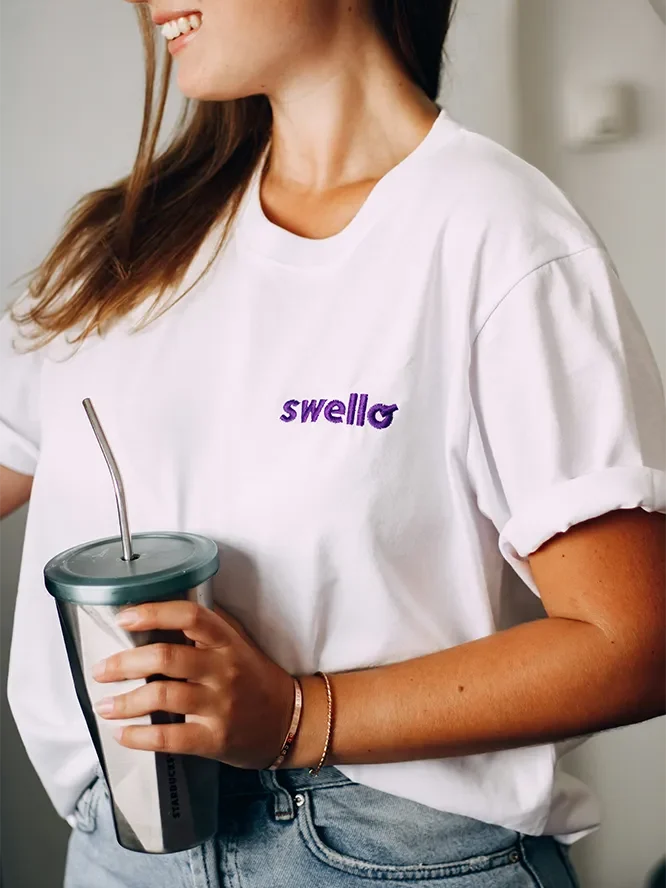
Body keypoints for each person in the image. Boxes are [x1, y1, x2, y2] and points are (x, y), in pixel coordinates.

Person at [2, 1, 666, 886]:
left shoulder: (497, 239)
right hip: (118, 850)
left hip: (383, 856)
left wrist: (293, 717)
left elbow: (634, 641)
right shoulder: (126, 250)